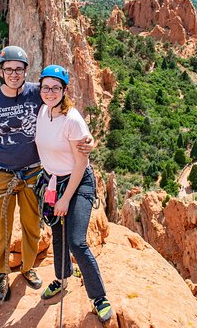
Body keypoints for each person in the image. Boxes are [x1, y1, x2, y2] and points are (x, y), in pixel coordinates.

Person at [0, 46, 92, 301]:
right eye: (9, 69)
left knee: (31, 224)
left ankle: (28, 267)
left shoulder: (36, 94)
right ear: (0, 72)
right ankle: (2, 274)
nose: (14, 74)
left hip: (33, 174)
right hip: (1, 173)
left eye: (19, 69)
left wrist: (89, 140)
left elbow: (66, 114)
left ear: (26, 71)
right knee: (0, 227)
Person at [35, 64, 113, 323]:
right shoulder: (43, 111)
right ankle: (61, 277)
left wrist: (66, 198)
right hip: (53, 182)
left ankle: (99, 296)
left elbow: (80, 164)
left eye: (56, 88)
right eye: (46, 87)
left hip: (78, 183)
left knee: (77, 241)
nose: (50, 92)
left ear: (64, 91)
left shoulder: (72, 119)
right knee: (58, 232)